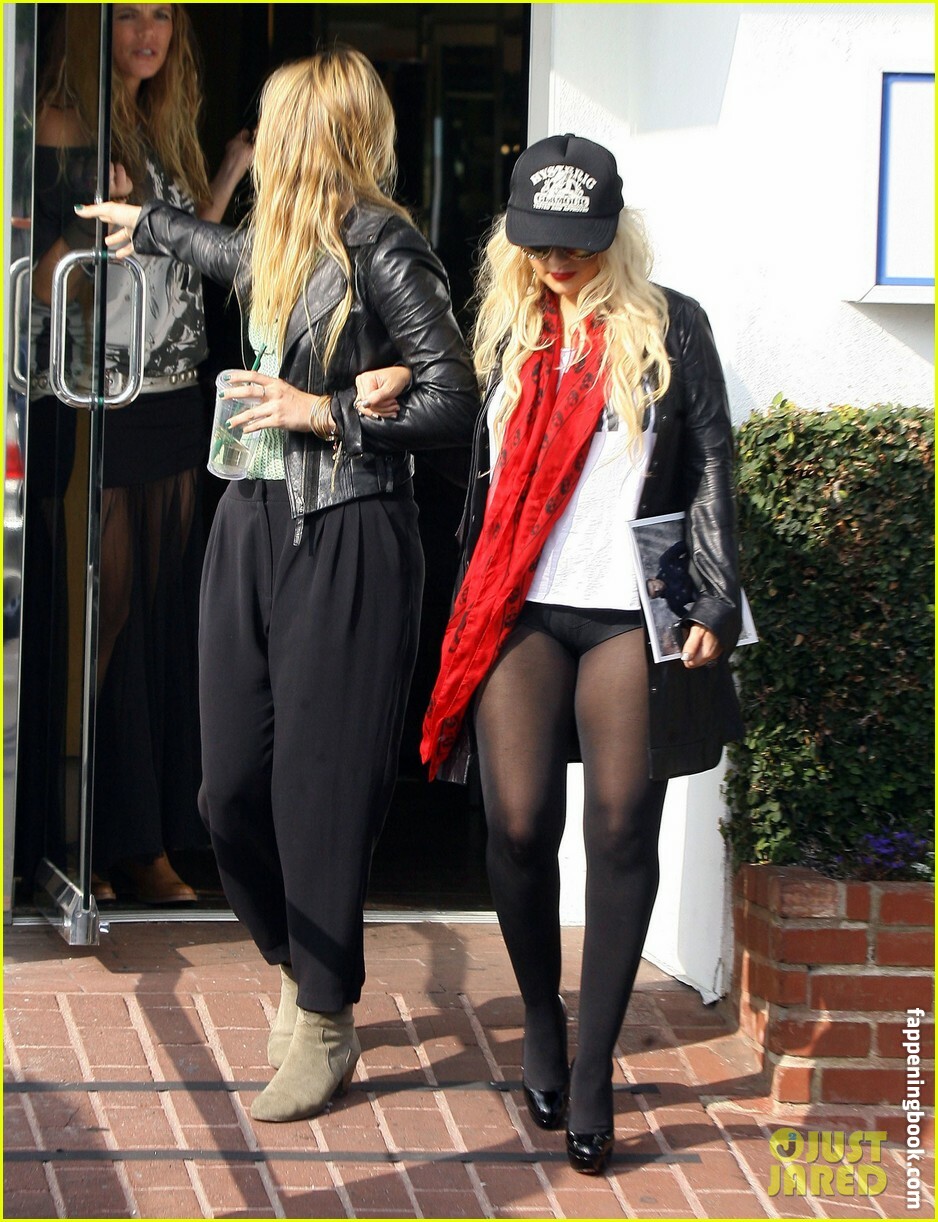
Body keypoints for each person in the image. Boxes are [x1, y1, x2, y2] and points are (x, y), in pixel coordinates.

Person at [79, 47, 478, 1122]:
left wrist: (328, 411)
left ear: (316, 131)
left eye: (276, 122)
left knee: (319, 790)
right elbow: (222, 249)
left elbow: (456, 399)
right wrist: (148, 225)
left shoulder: (383, 243)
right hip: (251, 521)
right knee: (228, 790)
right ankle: (297, 965)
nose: (261, 140)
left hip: (345, 527)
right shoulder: (282, 238)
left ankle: (326, 1013)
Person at [421, 134, 743, 1174]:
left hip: (626, 611)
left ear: (615, 232)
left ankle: (595, 1063)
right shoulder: (504, 332)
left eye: (578, 243)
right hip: (518, 605)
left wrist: (714, 591)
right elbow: (464, 461)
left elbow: (710, 460)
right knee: (517, 823)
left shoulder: (669, 325)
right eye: (542, 243)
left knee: (618, 824)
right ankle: (539, 1016)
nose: (559, 262)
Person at [23, 3, 254, 905]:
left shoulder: (160, 125)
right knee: (103, 620)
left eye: (162, 16)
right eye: (129, 16)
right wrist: (90, 227)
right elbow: (45, 279)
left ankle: (146, 839)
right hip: (98, 397)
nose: (148, 32)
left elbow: (176, 251)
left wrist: (228, 170)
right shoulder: (64, 123)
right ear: (95, 26)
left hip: (174, 391)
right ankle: (82, 842)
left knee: (161, 619)